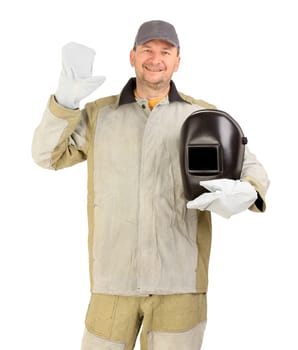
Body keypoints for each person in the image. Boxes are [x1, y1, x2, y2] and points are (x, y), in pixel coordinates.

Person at [32, 20, 269, 350]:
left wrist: (247, 191)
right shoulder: (100, 115)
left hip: (180, 282)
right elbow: (47, 156)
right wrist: (65, 102)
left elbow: (250, 166)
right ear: (132, 56)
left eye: (165, 51)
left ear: (177, 61)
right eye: (147, 50)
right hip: (113, 281)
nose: (155, 59)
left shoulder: (201, 116)